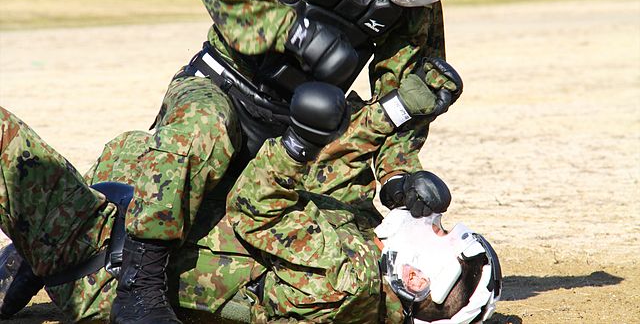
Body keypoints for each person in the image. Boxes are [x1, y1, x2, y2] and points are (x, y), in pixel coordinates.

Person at [110, 0, 501, 321]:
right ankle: (139, 287)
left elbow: (402, 98)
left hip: (305, 125)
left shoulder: (414, 2)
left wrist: (398, 177)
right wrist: (294, 33)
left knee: (348, 214)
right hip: (222, 85)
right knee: (206, 131)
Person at [0, 105, 502, 323]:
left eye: (440, 232)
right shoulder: (366, 269)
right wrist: (395, 114)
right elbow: (338, 178)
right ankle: (29, 256)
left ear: (415, 277)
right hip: (122, 224)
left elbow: (255, 206)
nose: (432, 220)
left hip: (98, 257)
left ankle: (38, 255)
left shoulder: (346, 278)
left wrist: (298, 144)